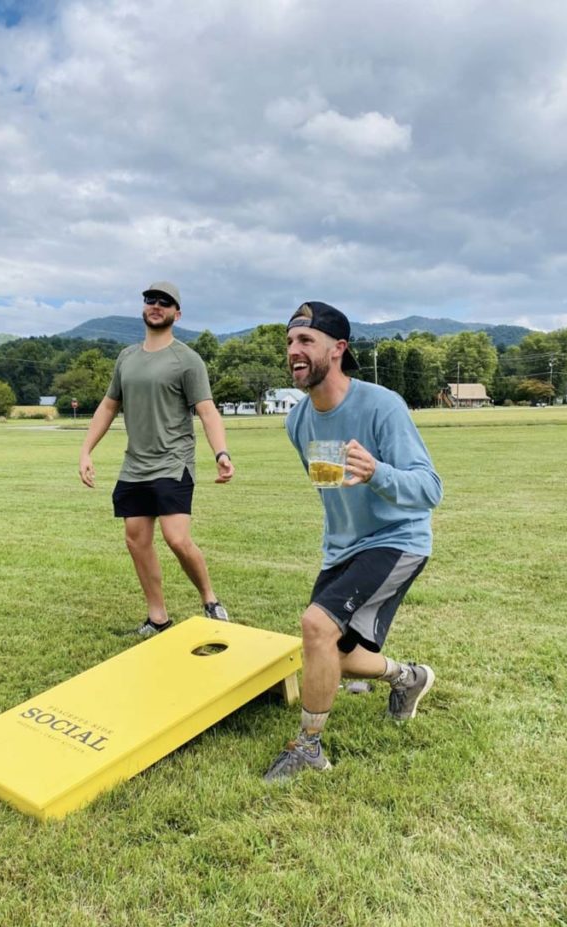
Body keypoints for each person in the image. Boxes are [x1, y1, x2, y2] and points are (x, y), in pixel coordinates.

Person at [264, 301, 443, 782]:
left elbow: (430, 489)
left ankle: (308, 749)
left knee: (315, 627)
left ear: (338, 349)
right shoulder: (297, 421)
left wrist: (377, 472)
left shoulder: (381, 405)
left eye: (306, 341)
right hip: (345, 546)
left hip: (397, 538)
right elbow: (330, 496)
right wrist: (335, 548)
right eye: (289, 342)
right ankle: (409, 678)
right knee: (333, 654)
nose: (294, 351)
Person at [79, 281, 234, 636]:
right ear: (144, 308)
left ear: (176, 313)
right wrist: (86, 450)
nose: (156, 305)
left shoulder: (187, 360)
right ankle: (158, 618)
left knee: (177, 538)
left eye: (165, 302)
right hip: (135, 464)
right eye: (150, 300)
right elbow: (108, 405)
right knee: (135, 539)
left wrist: (221, 453)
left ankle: (210, 599)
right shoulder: (127, 358)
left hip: (173, 461)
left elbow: (207, 411)